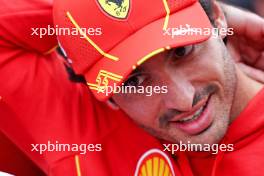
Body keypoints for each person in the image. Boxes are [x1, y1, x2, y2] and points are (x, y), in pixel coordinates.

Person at [0, 0, 263, 176]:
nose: (183, 100)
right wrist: (81, 14)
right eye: (133, 81)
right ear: (99, 88)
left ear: (216, 19)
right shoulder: (83, 129)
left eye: (183, 51)